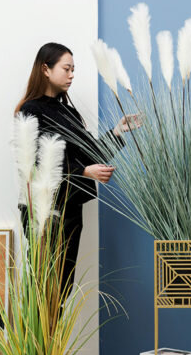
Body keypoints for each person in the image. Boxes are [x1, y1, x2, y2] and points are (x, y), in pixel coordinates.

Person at [14, 42, 140, 301]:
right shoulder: (31, 110)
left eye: (74, 70)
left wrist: (118, 131)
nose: (72, 75)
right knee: (43, 287)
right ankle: (41, 330)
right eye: (66, 69)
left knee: (63, 287)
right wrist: (83, 172)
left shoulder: (68, 111)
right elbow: (38, 162)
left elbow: (90, 154)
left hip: (71, 208)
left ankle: (55, 331)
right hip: (44, 210)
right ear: (45, 69)